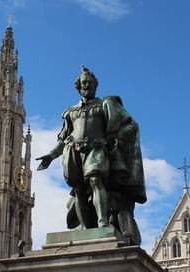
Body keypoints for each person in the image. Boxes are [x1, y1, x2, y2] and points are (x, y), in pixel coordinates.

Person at [37, 66, 146, 244]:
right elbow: (63, 138)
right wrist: (50, 155)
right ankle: (87, 228)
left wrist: (116, 138)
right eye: (83, 83)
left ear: (96, 85)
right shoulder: (70, 112)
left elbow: (130, 124)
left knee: (96, 180)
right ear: (79, 87)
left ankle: (102, 222)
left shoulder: (104, 105)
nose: (86, 85)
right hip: (73, 151)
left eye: (89, 82)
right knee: (79, 190)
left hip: (97, 148)